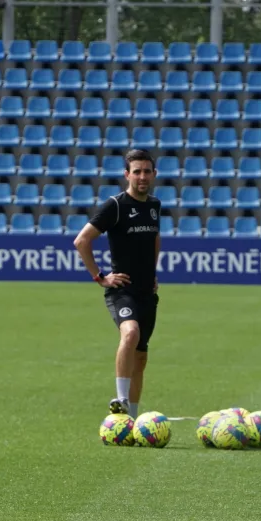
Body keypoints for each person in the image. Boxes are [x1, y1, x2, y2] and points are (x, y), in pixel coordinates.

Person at [73, 148, 162, 419]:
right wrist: (100, 277)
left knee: (141, 358)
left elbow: (155, 238)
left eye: (147, 171)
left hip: (147, 293)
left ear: (154, 174)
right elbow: (81, 241)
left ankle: (131, 418)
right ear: (127, 175)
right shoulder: (115, 205)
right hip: (121, 291)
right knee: (130, 333)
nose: (142, 176)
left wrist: (153, 273)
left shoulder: (154, 206)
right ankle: (120, 399)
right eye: (137, 172)